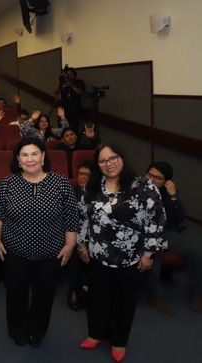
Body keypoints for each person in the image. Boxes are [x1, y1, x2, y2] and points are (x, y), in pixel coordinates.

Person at [77, 143, 166, 363]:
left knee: (124, 301)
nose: (109, 164)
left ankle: (119, 341)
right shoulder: (94, 187)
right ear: (98, 164)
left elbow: (156, 220)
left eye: (113, 158)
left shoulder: (143, 186)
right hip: (98, 255)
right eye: (103, 160)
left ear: (122, 157)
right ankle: (96, 334)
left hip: (130, 257)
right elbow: (83, 217)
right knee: (97, 298)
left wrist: (149, 254)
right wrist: (82, 245)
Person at [0, 137, 79, 349]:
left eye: (34, 154)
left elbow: (72, 217)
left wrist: (70, 245)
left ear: (43, 157)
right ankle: (17, 329)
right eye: (24, 155)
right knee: (15, 293)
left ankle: (37, 330)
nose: (30, 159)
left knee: (44, 294)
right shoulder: (8, 183)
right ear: (18, 160)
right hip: (15, 250)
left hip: (51, 251)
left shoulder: (60, 183)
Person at [144, 162, 202, 315]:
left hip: (167, 232)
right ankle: (156, 294)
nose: (152, 180)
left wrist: (173, 196)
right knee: (152, 254)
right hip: (146, 234)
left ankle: (198, 292)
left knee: (195, 250)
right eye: (150, 175)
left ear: (166, 181)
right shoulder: (138, 190)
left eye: (157, 178)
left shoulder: (169, 193)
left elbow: (180, 216)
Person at [66, 159, 95, 311]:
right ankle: (75, 290)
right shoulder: (71, 191)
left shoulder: (99, 193)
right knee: (76, 256)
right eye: (80, 174)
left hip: (95, 235)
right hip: (73, 232)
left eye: (86, 175)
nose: (82, 177)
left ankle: (91, 291)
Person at [53, 67, 85, 132]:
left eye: (71, 74)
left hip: (74, 110)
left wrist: (71, 85)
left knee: (74, 129)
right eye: (67, 74)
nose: (69, 76)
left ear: (74, 75)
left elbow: (80, 92)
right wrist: (59, 80)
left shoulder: (79, 82)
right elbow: (55, 92)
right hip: (63, 110)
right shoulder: (63, 83)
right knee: (62, 128)